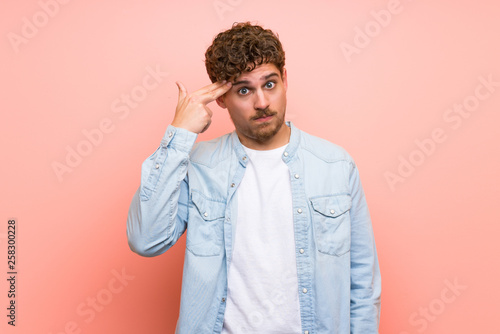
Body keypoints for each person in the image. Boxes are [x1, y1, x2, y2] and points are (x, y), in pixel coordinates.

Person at [127, 22, 381, 334]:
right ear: (221, 98)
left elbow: (362, 284)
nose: (261, 102)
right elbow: (145, 240)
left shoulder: (335, 165)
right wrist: (179, 134)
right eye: (244, 90)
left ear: (285, 80)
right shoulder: (199, 167)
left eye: (270, 84)